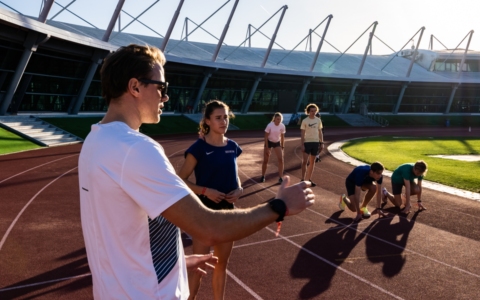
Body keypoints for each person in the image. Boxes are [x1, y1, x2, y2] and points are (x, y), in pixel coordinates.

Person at [78, 44, 315, 299]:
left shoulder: (94, 142)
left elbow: (124, 232)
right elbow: (208, 226)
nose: (165, 97)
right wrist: (279, 206)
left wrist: (176, 264)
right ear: (135, 87)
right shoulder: (135, 149)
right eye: (161, 87)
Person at [178, 100, 242, 300]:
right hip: (204, 213)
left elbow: (235, 176)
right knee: (198, 267)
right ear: (207, 121)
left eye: (225, 117)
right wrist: (206, 191)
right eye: (218, 118)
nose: (224, 121)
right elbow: (181, 180)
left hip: (227, 213)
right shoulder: (198, 147)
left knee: (221, 264)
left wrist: (239, 189)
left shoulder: (232, 146)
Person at [300, 104, 324, 187]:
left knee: (312, 162)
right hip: (307, 143)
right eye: (311, 111)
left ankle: (309, 179)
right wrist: (302, 144)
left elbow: (320, 132)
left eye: (314, 111)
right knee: (304, 161)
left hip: (316, 142)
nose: (313, 112)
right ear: (308, 111)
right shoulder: (305, 121)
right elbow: (302, 134)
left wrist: (322, 143)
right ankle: (302, 180)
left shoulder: (318, 120)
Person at [261, 112, 286, 184]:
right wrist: (266, 148)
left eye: (280, 119)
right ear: (274, 119)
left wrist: (283, 147)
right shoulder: (270, 125)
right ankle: (263, 176)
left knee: (281, 159)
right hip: (268, 142)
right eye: (278, 119)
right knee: (266, 160)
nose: (279, 120)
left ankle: (280, 178)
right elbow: (265, 137)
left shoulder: (282, 126)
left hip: (277, 143)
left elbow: (282, 137)